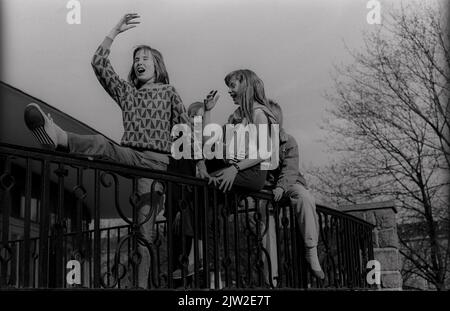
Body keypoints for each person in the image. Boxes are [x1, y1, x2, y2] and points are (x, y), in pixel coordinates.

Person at [23, 13, 190, 288]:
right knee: (101, 144)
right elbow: (99, 63)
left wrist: (198, 168)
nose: (139, 62)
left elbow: (185, 128)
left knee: (143, 235)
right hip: (130, 156)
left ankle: (140, 285)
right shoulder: (127, 92)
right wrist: (114, 31)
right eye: (136, 59)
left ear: (157, 66)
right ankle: (58, 137)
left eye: (145, 58)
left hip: (156, 165)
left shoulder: (169, 92)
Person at [267, 100, 325, 280]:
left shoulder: (288, 141)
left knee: (305, 198)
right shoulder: (254, 142)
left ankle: (311, 251)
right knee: (263, 215)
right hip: (266, 187)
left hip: (289, 182)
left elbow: (290, 169)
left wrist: (281, 186)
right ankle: (271, 274)